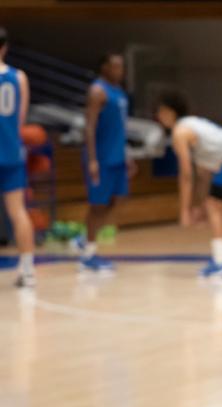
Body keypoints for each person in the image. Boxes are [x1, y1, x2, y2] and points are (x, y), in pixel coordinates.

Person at [153, 91, 222, 278]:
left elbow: (186, 175)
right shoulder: (193, 124)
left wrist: (185, 210)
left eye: (161, 111)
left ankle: (220, 263)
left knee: (214, 207)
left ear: (170, 111)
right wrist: (197, 205)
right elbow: (203, 175)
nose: (159, 116)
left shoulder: (180, 132)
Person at [81, 52, 132, 273]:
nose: (120, 71)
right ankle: (89, 253)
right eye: (115, 67)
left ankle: (86, 240)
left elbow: (121, 128)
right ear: (105, 68)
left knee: (118, 200)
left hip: (118, 157)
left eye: (122, 67)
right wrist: (92, 159)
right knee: (97, 205)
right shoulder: (98, 91)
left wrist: (127, 154)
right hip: (101, 158)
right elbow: (89, 126)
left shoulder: (120, 92)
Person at [0, 27, 36, 289]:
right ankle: (28, 270)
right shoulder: (19, 77)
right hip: (12, 152)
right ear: (5, 48)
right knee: (18, 212)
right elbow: (21, 119)